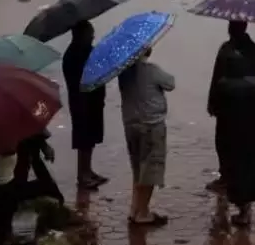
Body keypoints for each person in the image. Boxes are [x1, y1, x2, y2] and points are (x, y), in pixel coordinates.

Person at [209, 49, 255, 228]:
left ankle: (242, 212)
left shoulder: (221, 85)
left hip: (230, 135)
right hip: (254, 135)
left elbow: (215, 108)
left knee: (236, 171)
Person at [118, 47, 174, 227]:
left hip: (131, 124)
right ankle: (143, 213)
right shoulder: (151, 70)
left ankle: (135, 209)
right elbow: (170, 83)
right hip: (151, 125)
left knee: (137, 169)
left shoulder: (123, 72)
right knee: (149, 170)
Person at [207, 21, 255, 193]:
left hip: (227, 106)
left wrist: (212, 102)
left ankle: (227, 178)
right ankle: (247, 185)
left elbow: (216, 78)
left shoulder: (225, 50)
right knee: (247, 147)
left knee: (225, 144)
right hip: (249, 107)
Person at [64, 20, 108, 191]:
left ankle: (88, 171)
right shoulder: (73, 56)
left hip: (93, 101)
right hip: (81, 103)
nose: (93, 37)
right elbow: (80, 81)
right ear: (80, 36)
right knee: (83, 139)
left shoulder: (85, 51)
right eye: (90, 34)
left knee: (90, 139)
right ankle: (82, 176)